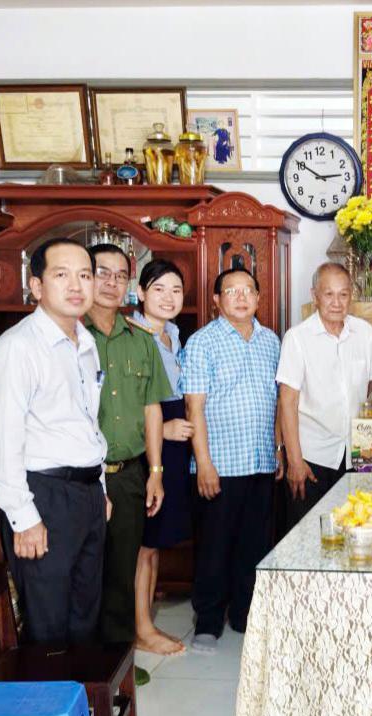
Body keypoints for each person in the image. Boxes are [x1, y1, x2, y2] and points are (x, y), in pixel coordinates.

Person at [0, 238, 109, 643]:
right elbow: (3, 441)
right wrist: (24, 518)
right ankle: (46, 688)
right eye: (62, 275)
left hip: (86, 495)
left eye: (85, 275)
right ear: (36, 286)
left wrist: (100, 487)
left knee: (85, 618)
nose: (76, 285)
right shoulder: (18, 347)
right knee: (48, 624)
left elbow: (87, 422)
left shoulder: (85, 342)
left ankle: (79, 688)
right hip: (44, 496)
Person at [182, 267, 282, 654]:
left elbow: (278, 401)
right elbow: (194, 407)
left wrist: (277, 450)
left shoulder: (270, 340)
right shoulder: (202, 342)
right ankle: (208, 621)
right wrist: (204, 463)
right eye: (231, 291)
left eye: (247, 291)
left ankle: (244, 616)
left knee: (254, 545)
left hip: (260, 460)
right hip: (220, 464)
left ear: (258, 298)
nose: (240, 298)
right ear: (216, 300)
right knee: (214, 546)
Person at [85, 244, 170, 652]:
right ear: (86, 277)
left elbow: (152, 409)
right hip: (82, 479)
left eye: (121, 276)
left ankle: (115, 670)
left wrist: (155, 472)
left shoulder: (141, 340)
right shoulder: (71, 337)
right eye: (102, 273)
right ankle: (81, 666)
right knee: (83, 573)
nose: (111, 283)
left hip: (129, 474)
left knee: (122, 573)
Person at [277, 262, 372, 531]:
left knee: (355, 530)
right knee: (307, 535)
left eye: (343, 294)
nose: (336, 302)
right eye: (329, 294)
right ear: (314, 296)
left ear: (351, 296)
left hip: (357, 455)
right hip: (313, 457)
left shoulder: (364, 332)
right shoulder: (297, 338)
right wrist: (295, 460)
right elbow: (287, 402)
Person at [131, 259, 194, 656]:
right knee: (144, 543)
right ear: (140, 293)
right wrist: (163, 429)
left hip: (173, 444)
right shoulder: (134, 337)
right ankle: (140, 627)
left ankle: (146, 620)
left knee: (155, 541)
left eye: (176, 290)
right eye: (158, 289)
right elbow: (122, 407)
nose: (168, 298)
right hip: (149, 444)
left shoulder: (172, 334)